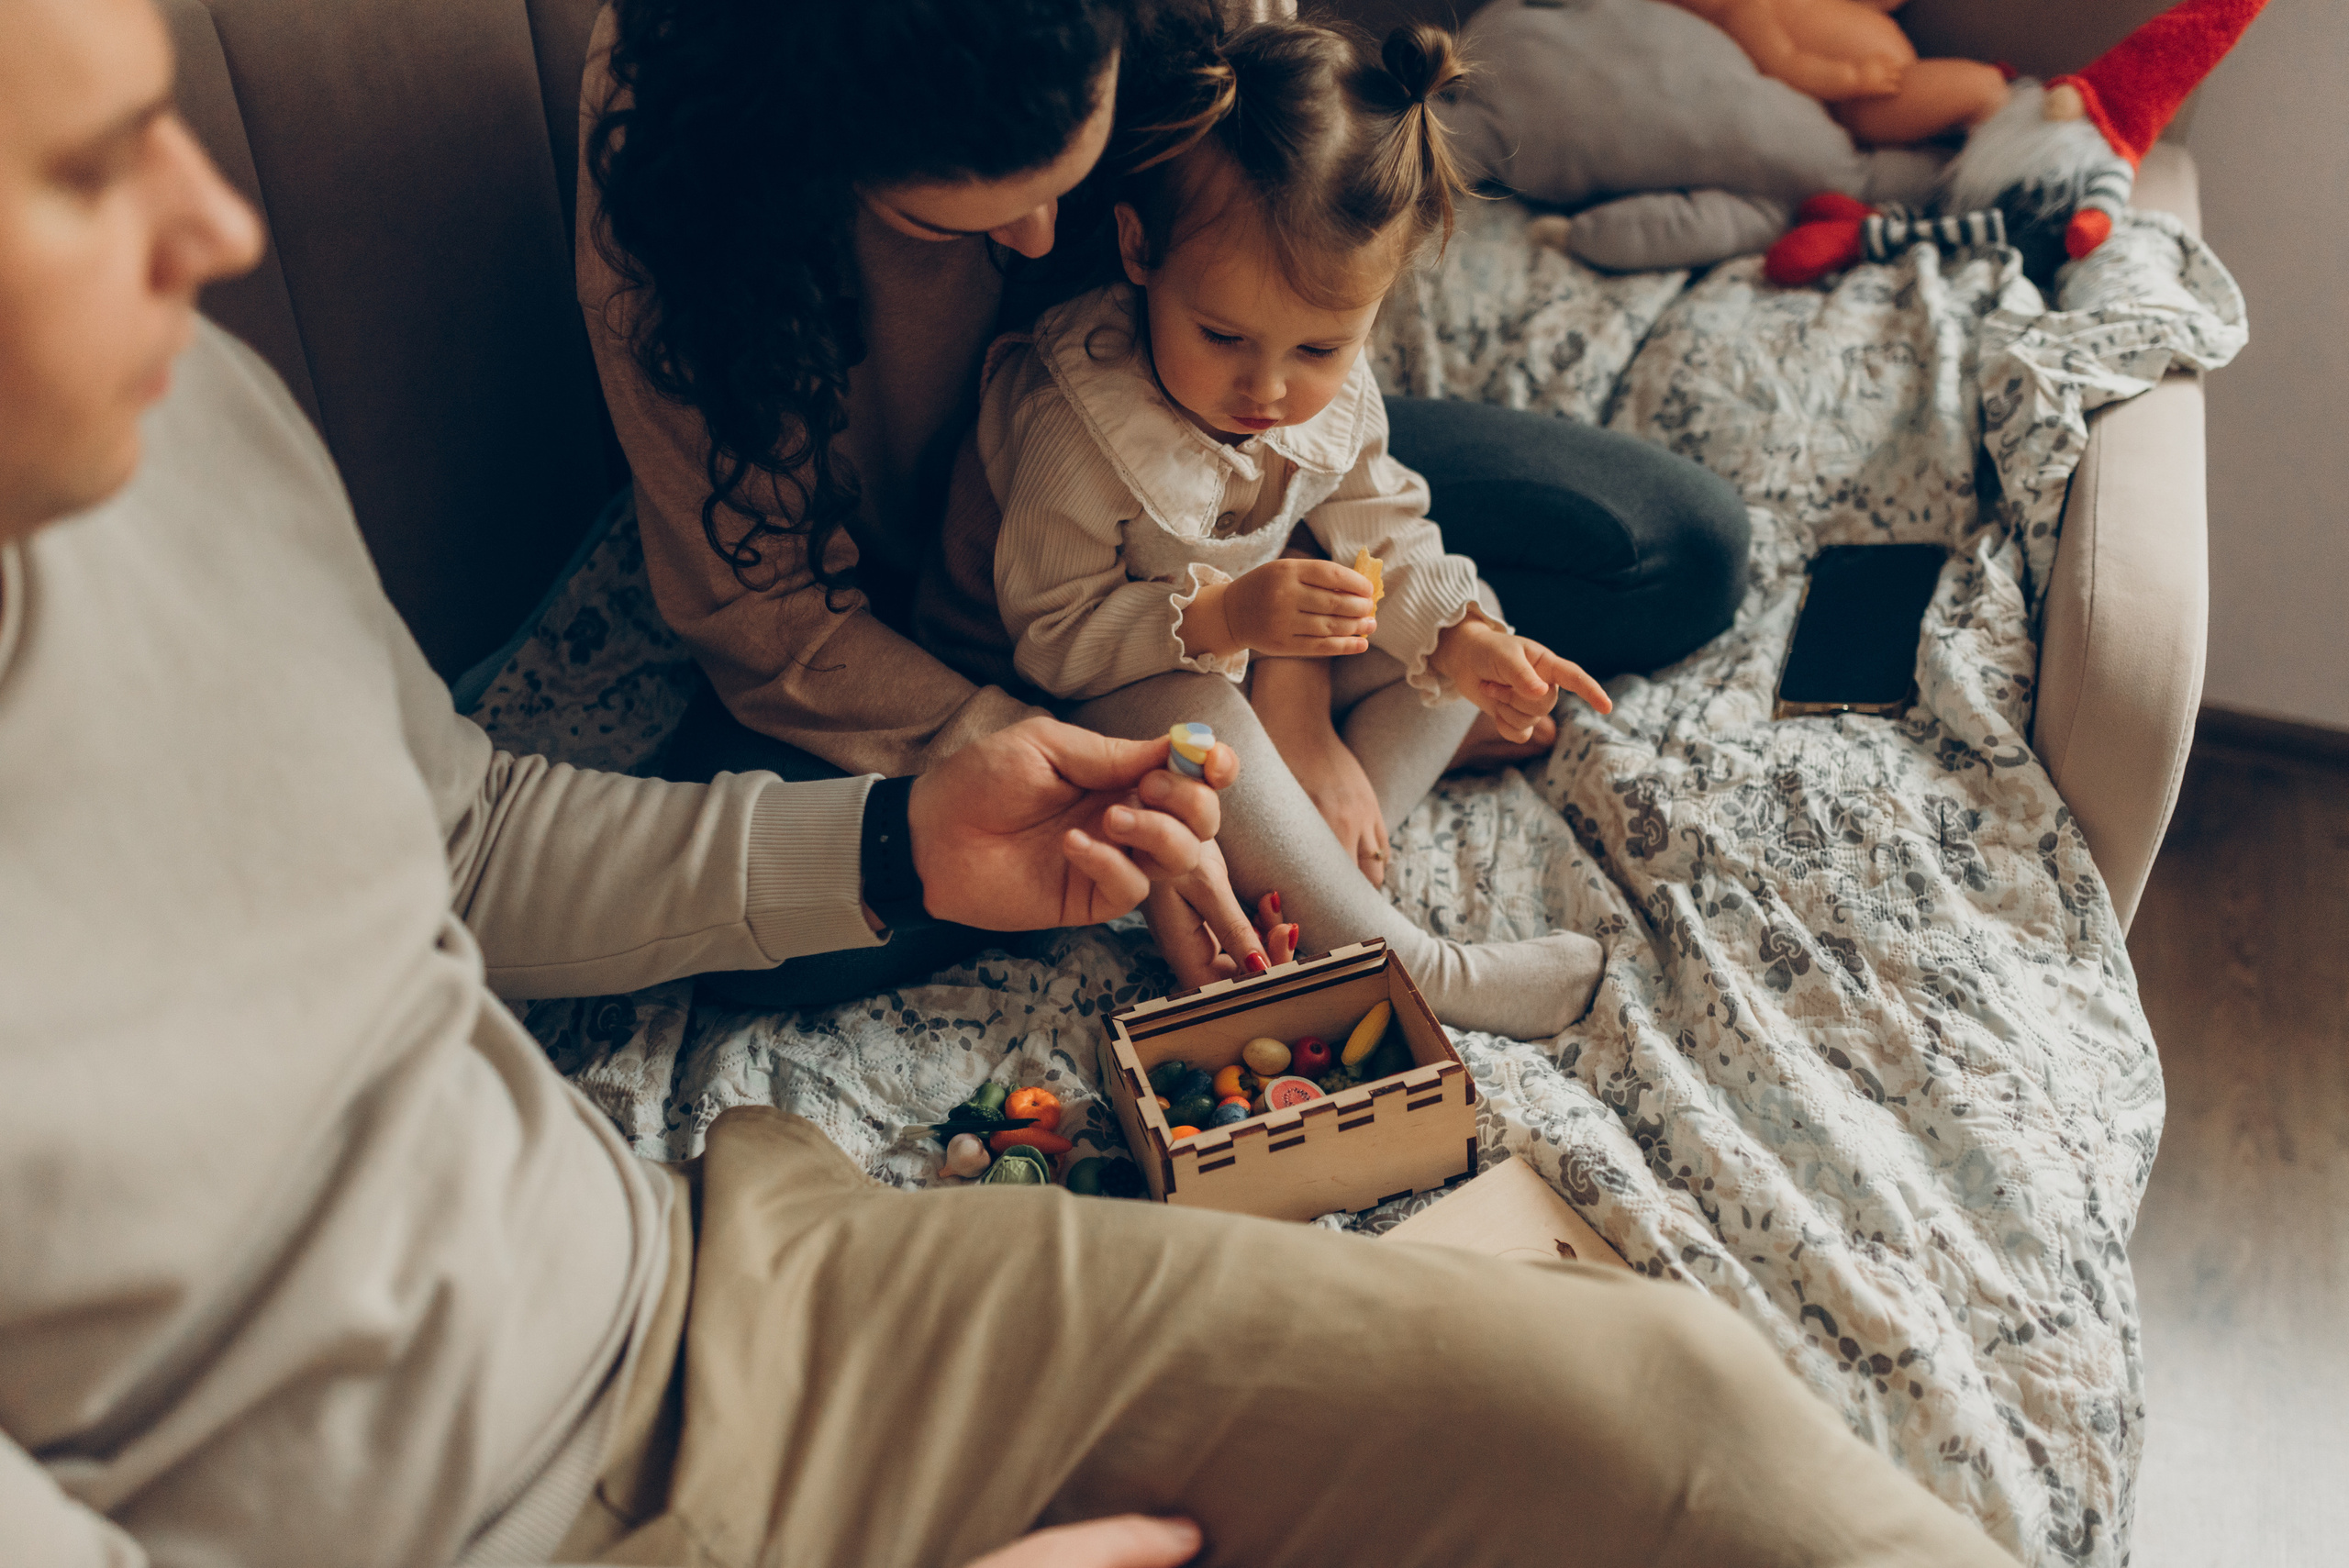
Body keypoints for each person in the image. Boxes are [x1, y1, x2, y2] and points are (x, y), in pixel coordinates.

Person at [1, 3, 2027, 1564]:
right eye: (91, 172)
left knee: (1670, 1402)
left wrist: (912, 838)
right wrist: (984, 722)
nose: (220, 227)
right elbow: (772, 618)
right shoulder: (708, 212)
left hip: (727, 1300)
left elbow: (472, 832)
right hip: (973, 640)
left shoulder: (197, 431)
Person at [576, 0, 1753, 1030]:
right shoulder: (687, 182)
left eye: (1074, 170)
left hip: (1231, 541)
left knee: (1671, 554)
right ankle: (1375, 942)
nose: (1045, 244)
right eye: (946, 224)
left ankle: (1288, 863)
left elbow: (1351, 484)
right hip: (994, 623)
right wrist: (1103, 783)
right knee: (760, 940)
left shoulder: (1266, 328)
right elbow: (788, 621)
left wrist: (1317, 692)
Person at [986, 19, 1617, 1034]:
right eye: (1222, 336)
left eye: (1322, 346)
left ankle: (1309, 864)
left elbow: (1383, 519)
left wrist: (1461, 640)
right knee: (1202, 712)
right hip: (1122, 688)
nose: (1270, 389)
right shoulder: (1081, 421)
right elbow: (1051, 640)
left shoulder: (1323, 384)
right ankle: (1411, 962)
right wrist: (1230, 614)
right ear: (1139, 249)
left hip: (1254, 670)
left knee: (1469, 616)